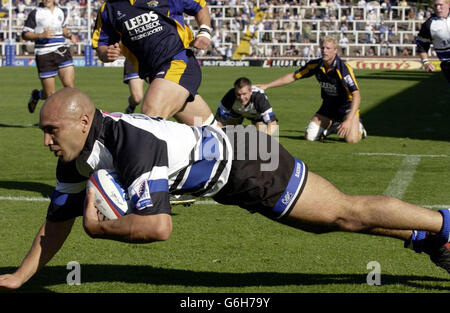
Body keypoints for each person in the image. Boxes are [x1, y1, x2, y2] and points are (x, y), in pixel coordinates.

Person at [0, 87, 449, 290]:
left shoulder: (128, 143)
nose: (45, 140)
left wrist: (100, 230)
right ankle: (424, 235)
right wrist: (20, 277)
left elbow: (157, 228)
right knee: (327, 222)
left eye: (51, 130)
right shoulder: (78, 150)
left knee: (342, 213)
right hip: (230, 171)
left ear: (82, 121)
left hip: (248, 161)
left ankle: (441, 225)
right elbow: (57, 218)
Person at [92, 0, 216, 126]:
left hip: (178, 63)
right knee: (206, 128)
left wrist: (205, 31)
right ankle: (229, 141)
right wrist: (106, 53)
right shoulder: (108, 8)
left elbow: (199, 6)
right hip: (155, 77)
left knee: (150, 117)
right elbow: (101, 44)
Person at [257, 36, 367, 143]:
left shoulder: (342, 68)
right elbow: (293, 76)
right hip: (329, 106)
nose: (324, 51)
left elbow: (356, 95)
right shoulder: (315, 65)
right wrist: (268, 85)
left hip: (347, 106)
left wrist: (348, 120)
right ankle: (333, 125)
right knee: (310, 136)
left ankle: (359, 127)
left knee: (351, 139)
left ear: (335, 51)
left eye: (328, 48)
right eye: (323, 48)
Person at [22, 0, 77, 114]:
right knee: (50, 94)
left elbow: (63, 29)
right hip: (44, 53)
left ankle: (67, 117)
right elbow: (25, 34)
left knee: (70, 87)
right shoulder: (35, 13)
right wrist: (41, 35)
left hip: (61, 49)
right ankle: (37, 95)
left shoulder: (61, 11)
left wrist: (70, 35)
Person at [416, 0, 450, 83]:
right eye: (435, 5)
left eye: (440, 5)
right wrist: (426, 63)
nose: (438, 8)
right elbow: (421, 46)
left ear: (448, 4)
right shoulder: (428, 24)